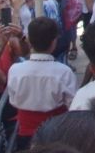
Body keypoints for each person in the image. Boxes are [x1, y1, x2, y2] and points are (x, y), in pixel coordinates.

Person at [5, 17, 76, 150]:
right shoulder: (63, 72)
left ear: (30, 41)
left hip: (27, 134)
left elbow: (13, 100)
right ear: (54, 41)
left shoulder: (15, 70)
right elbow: (72, 105)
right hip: (55, 133)